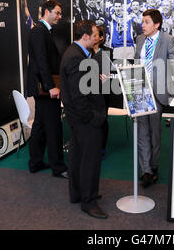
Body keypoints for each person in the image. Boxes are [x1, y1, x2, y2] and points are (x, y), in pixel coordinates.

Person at [60, 19, 108, 219]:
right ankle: (88, 202)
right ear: (86, 36)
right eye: (95, 34)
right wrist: (93, 117)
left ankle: (78, 194)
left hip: (77, 118)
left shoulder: (75, 53)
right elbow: (78, 96)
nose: (97, 37)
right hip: (85, 119)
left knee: (78, 157)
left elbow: (78, 87)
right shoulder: (76, 58)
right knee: (89, 161)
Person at [134, 9, 174, 188]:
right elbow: (137, 63)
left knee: (155, 133)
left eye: (146, 22)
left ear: (157, 24)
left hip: (157, 93)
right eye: (142, 21)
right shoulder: (139, 40)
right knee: (142, 132)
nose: (142, 25)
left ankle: (153, 166)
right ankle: (146, 170)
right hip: (140, 92)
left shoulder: (168, 40)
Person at [26, 0, 68, 178]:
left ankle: (35, 162)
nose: (59, 16)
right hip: (45, 88)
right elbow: (41, 61)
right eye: (57, 13)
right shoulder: (39, 31)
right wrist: (50, 86)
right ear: (46, 12)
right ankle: (58, 167)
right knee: (53, 127)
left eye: (60, 13)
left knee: (40, 126)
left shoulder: (43, 31)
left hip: (42, 87)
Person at [93, 26, 113, 160]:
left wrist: (106, 75)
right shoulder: (85, 51)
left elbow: (108, 71)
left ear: (101, 38)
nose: (93, 37)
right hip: (88, 91)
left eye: (96, 35)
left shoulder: (107, 51)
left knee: (102, 119)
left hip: (103, 90)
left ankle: (101, 148)